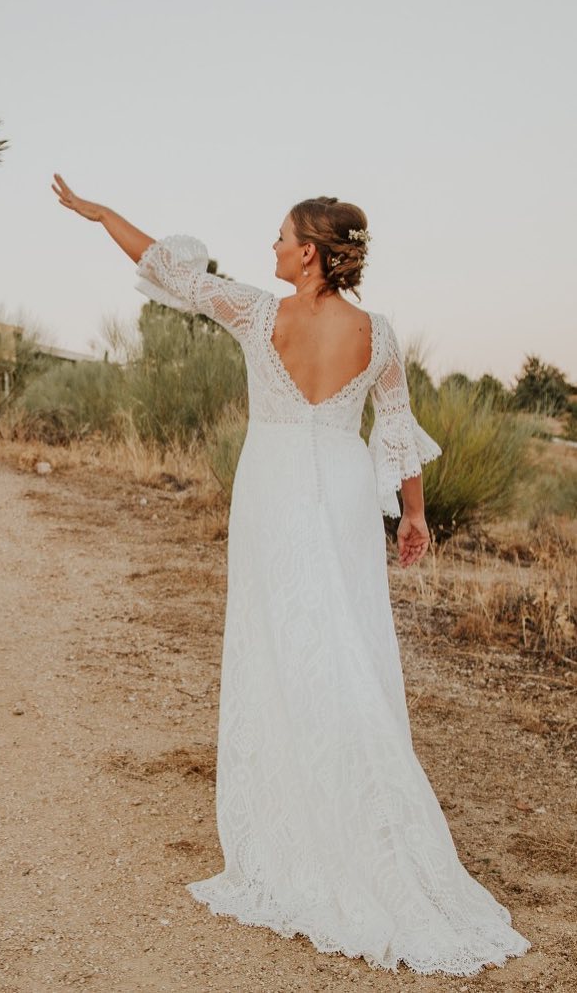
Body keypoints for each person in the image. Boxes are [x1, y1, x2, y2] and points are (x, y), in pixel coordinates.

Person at [52, 175, 529, 975]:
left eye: (280, 237)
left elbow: (171, 271)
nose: (270, 247)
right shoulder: (378, 332)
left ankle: (302, 817)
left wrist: (104, 216)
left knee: (282, 640)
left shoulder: (257, 312)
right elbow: (399, 429)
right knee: (341, 638)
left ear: (308, 253)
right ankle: (350, 795)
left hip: (273, 482)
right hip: (341, 486)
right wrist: (414, 514)